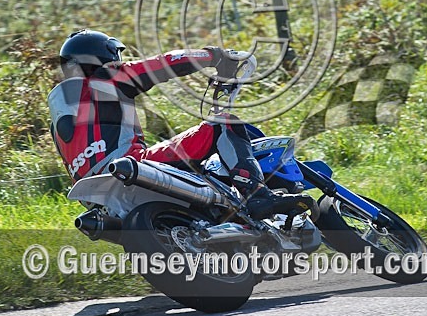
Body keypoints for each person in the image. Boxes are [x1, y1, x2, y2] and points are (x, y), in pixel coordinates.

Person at [47, 29, 314, 220]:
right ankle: (256, 193)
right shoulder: (107, 79)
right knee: (223, 122)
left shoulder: (57, 119)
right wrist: (216, 56)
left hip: (94, 199)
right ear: (102, 56)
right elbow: (164, 63)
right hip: (134, 164)